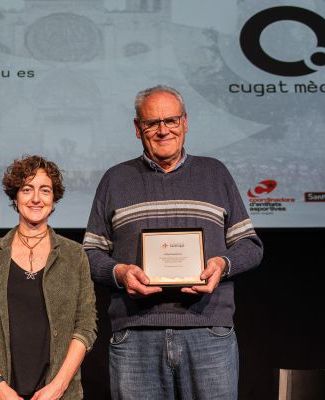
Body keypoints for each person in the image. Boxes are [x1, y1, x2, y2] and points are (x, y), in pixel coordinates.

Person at [83, 86, 263, 399]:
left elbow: (250, 245)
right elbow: (89, 253)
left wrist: (222, 264)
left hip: (208, 331)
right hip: (136, 334)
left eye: (171, 120)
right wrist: (120, 273)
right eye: (152, 123)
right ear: (138, 128)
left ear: (185, 122)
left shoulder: (215, 173)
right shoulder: (115, 179)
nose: (163, 130)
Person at [0, 155, 98, 399]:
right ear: (15, 197)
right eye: (27, 189)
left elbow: (85, 326)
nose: (36, 198)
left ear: (54, 199)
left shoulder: (74, 255)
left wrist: (58, 386)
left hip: (58, 394)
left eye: (45, 190)